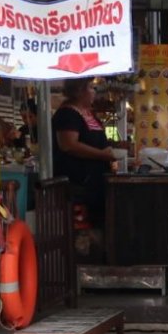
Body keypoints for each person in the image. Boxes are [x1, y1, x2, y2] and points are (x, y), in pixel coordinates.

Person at [52, 77, 115, 228]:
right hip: (78, 183)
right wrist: (102, 155)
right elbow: (69, 145)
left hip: (95, 183)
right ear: (80, 91)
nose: (94, 92)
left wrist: (109, 148)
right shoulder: (67, 114)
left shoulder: (88, 113)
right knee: (81, 230)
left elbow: (94, 140)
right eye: (91, 88)